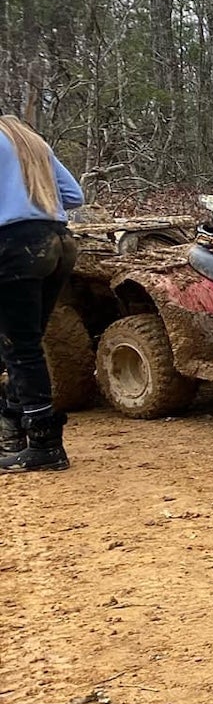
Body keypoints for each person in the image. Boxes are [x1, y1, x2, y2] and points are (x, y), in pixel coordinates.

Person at [0, 114, 84, 472]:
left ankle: (44, 443)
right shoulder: (31, 141)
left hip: (15, 246)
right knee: (24, 342)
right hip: (58, 242)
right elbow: (73, 196)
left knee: (20, 346)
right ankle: (14, 428)